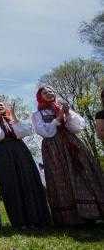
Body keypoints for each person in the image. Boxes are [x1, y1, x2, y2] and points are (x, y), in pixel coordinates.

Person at [32, 86, 104, 226]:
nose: (49, 93)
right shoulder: (37, 114)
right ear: (40, 97)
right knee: (61, 178)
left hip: (71, 143)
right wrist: (57, 119)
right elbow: (44, 132)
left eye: (51, 90)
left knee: (83, 173)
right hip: (53, 147)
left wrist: (68, 114)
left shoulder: (63, 107)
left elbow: (78, 127)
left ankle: (93, 212)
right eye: (45, 92)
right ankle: (70, 218)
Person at [0, 101, 50, 228]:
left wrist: (14, 116)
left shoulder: (13, 120)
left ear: (6, 108)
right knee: (11, 183)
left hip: (20, 150)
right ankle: (20, 221)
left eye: (2, 105)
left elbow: (25, 132)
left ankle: (36, 218)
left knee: (27, 180)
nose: (0, 106)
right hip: (4, 153)